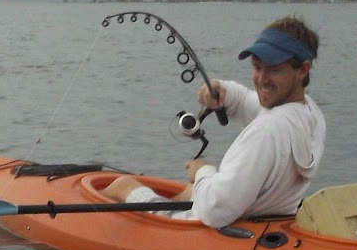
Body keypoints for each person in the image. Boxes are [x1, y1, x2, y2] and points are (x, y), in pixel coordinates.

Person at [100, 16, 325, 230]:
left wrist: (202, 171)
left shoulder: (266, 132)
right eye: (257, 67)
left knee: (123, 185)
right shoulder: (310, 115)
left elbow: (216, 210)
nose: (262, 79)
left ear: (303, 70)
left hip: (206, 227)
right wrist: (222, 92)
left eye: (274, 70)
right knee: (191, 191)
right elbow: (248, 102)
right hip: (264, 218)